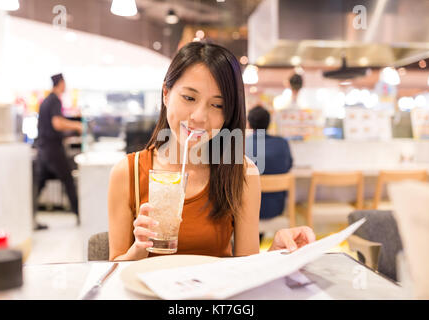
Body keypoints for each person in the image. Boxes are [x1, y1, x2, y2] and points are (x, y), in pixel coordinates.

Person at [108, 42, 315, 261]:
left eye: (217, 105)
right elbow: (112, 273)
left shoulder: (242, 173)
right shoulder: (127, 173)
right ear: (166, 94)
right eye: (189, 98)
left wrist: (276, 254)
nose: (199, 116)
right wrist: (138, 251)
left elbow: (246, 269)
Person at [34, 73, 82, 229]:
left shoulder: (46, 100)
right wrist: (76, 126)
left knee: (40, 184)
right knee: (68, 180)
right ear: (60, 83)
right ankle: (81, 216)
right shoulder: (54, 99)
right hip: (53, 149)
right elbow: (57, 123)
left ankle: (29, 218)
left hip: (43, 149)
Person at [245, 105, 293, 241]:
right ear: (269, 123)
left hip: (248, 209)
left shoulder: (241, 144)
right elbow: (288, 166)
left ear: (249, 124)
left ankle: (254, 244)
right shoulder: (282, 144)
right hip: (275, 208)